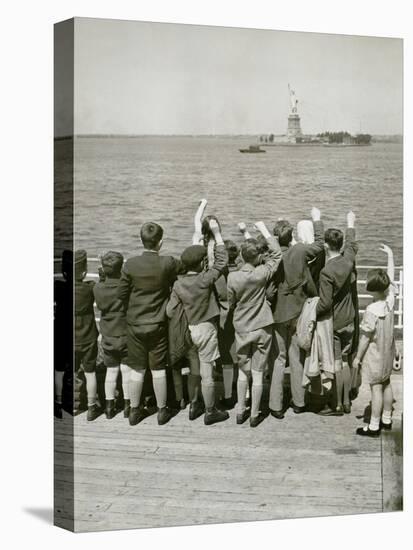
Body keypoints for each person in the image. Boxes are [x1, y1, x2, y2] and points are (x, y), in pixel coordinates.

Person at [117, 222, 182, 426]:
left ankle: (135, 411)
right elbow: (186, 265)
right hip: (158, 323)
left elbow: (121, 294)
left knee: (137, 369)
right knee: (158, 369)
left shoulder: (130, 264)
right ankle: (162, 411)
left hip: (135, 324)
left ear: (141, 240)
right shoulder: (168, 263)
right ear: (160, 242)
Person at [167, 218, 229, 425]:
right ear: (202, 263)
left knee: (193, 370)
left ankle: (194, 404)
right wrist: (217, 234)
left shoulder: (178, 284)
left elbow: (169, 310)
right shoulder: (205, 279)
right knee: (207, 371)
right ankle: (211, 411)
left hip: (188, 331)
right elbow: (221, 262)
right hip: (206, 329)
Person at [268, 208, 325, 418]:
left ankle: (275, 406)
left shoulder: (271, 256)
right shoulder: (300, 250)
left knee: (278, 360)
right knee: (297, 357)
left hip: (277, 314)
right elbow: (319, 245)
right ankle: (299, 401)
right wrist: (317, 220)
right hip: (298, 311)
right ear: (291, 236)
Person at [227, 222, 282, 427]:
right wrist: (264, 231)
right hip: (263, 326)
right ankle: (255, 415)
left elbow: (230, 302)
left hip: (242, 327)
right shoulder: (262, 273)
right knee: (258, 373)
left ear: (242, 257)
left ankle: (240, 410)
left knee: (243, 371)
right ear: (258, 257)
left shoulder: (233, 277)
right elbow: (277, 254)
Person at [316, 211, 358, 416]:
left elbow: (324, 304)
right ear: (340, 245)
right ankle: (348, 400)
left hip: (335, 322)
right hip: (350, 319)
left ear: (325, 246)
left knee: (337, 363)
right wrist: (350, 223)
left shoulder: (326, 272)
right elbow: (352, 245)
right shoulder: (348, 261)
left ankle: (338, 405)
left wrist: (309, 312)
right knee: (346, 358)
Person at [354, 244, 396, 437]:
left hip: (375, 355)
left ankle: (373, 426)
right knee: (386, 383)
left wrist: (358, 357)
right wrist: (390, 256)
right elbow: (391, 277)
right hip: (388, 352)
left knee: (376, 389)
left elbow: (365, 338)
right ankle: (387, 418)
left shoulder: (371, 311)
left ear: (371, 290)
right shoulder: (389, 301)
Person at [94, 251, 132, 419]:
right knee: (126, 371)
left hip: (108, 334)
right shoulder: (125, 287)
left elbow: (103, 287)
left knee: (111, 371)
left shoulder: (97, 288)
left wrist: (102, 275)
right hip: (125, 334)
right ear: (121, 268)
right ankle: (127, 405)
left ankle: (109, 407)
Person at [74, 249, 100, 421]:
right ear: (84, 272)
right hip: (89, 337)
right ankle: (91, 407)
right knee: (90, 373)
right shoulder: (90, 288)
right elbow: (99, 285)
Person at [54, 250, 73, 418]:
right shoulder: (86, 287)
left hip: (59, 332)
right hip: (73, 333)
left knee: (58, 370)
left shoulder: (57, 287)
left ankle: (58, 404)